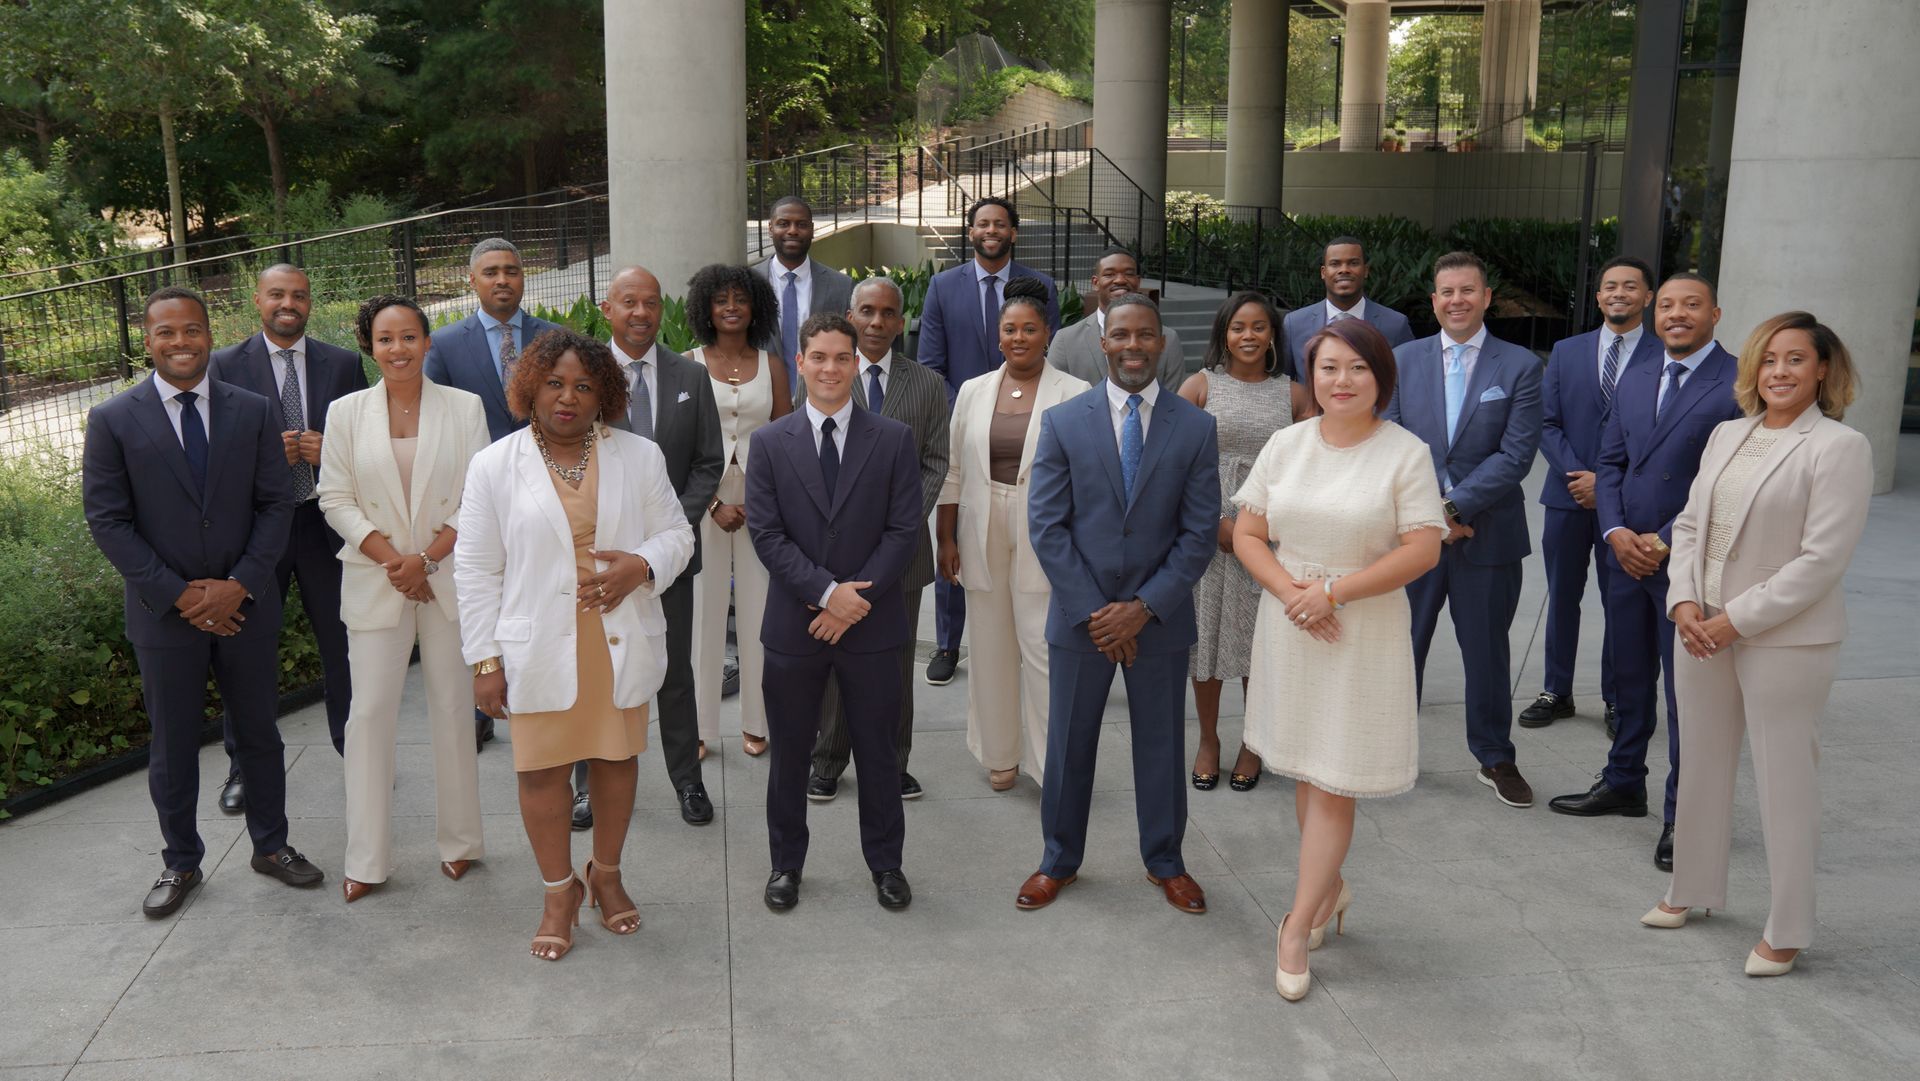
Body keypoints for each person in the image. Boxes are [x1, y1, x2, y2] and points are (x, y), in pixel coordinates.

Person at [1643, 312, 1872, 977]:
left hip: (1785, 638)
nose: (1779, 371)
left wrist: (1735, 620)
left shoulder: (1839, 447)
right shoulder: (1728, 433)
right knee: (1701, 761)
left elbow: (1821, 560)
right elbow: (1689, 525)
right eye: (1769, 359)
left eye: (1796, 359)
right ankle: (1691, 888)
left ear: (1823, 369)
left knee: (1784, 781)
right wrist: (1684, 600)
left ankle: (1789, 927)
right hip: (1700, 624)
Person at [82, 286, 322, 918]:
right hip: (165, 616)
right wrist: (179, 593)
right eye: (166, 332)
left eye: (191, 329)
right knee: (172, 745)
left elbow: (276, 502)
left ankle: (272, 847)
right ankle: (181, 861)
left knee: (260, 734)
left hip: (246, 606)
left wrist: (240, 583)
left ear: (209, 335)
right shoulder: (113, 419)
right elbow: (107, 521)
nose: (180, 342)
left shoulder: (252, 410)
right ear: (147, 341)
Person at [455, 329, 694, 961]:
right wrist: (485, 660)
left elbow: (678, 534)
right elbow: (475, 570)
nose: (568, 397)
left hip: (617, 636)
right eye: (555, 383)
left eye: (584, 386)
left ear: (604, 394)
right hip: (535, 645)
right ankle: (558, 892)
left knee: (615, 762)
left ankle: (605, 875)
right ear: (530, 389)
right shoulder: (493, 465)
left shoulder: (639, 456)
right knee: (541, 771)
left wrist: (641, 565)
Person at [1232, 318, 1445, 1001]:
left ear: (1382, 377)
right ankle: (1328, 889)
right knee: (1304, 766)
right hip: (1293, 622)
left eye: (1357, 368)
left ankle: (1295, 926)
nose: (1342, 380)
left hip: (1361, 630)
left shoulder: (1404, 453)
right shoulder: (1286, 444)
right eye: (1328, 367)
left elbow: (1423, 549)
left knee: (1333, 779)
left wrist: (1333, 593)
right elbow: (1249, 533)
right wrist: (1293, 592)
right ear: (1311, 374)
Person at [1015, 294, 1219, 916]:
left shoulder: (1195, 427)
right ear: (1103, 343)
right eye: (1122, 335)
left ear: (1163, 342)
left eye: (1146, 335)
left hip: (1160, 620)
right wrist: (1098, 612)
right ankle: (1057, 860)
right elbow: (1047, 525)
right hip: (1082, 621)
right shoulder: (1063, 421)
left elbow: (1199, 533)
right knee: (1069, 746)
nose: (1134, 346)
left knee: (1161, 746)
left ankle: (1166, 861)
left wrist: (1144, 608)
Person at [1548, 274, 1746, 872]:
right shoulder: (1638, 374)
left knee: (1688, 697)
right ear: (1655, 315)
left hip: (1689, 564)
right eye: (1668, 306)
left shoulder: (1737, 382)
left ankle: (1685, 816)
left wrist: (1663, 540)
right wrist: (1614, 531)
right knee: (1630, 678)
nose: (1677, 314)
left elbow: (1732, 483)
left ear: (1715, 313)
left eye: (1692, 305)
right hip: (1626, 557)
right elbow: (1610, 463)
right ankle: (1623, 780)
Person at [745, 313, 924, 912]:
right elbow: (767, 536)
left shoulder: (893, 438)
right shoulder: (769, 443)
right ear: (799, 363)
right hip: (795, 627)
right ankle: (786, 864)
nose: (830, 368)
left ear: (856, 363)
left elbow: (903, 530)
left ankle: (887, 864)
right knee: (790, 754)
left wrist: (853, 603)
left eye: (841, 358)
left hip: (872, 627)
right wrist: (828, 594)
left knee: (878, 752)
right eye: (818, 357)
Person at [318, 295, 489, 902]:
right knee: (368, 716)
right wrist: (396, 561)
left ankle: (461, 841)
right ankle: (366, 859)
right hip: (378, 579)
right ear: (370, 346)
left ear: (427, 341)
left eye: (409, 337)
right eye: (386, 339)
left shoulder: (465, 408)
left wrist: (428, 559)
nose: (398, 349)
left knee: (453, 709)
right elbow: (334, 497)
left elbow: (480, 496)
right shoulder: (345, 413)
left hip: (447, 580)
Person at [1384, 251, 1543, 810]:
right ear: (1434, 301)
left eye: (1468, 290)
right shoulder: (1403, 359)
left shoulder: (1520, 366)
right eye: (1447, 292)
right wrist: (1430, 516)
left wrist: (1452, 509)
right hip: (1412, 537)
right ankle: (1390, 750)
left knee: (1487, 652)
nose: (1457, 300)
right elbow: (1391, 438)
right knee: (1401, 646)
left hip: (1489, 535)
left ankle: (1495, 756)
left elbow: (1517, 454)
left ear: (1486, 297)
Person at [570, 266, 724, 832]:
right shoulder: (583, 376)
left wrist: (665, 536)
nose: (641, 313)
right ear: (607, 309)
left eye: (652, 303)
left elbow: (708, 462)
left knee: (675, 672)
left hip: (670, 562)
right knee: (597, 673)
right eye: (629, 302)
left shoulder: (692, 375)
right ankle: (586, 786)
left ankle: (688, 780)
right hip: (600, 558)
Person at [208, 264, 365, 814]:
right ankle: (244, 768)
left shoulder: (342, 363)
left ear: (310, 302)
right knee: (246, 651)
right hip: (258, 532)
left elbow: (366, 441)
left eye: (298, 295)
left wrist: (334, 452)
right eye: (277, 294)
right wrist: (264, 456)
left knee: (344, 647)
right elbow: (209, 453)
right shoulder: (222, 365)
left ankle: (359, 757)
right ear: (258, 300)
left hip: (326, 527)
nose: (288, 304)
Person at [937, 277, 1088, 791]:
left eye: (1029, 328)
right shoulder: (973, 391)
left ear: (1047, 333)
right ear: (997, 335)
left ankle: (1049, 764)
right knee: (989, 646)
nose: (1018, 337)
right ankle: (999, 754)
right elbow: (953, 469)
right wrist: (946, 539)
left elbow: (1085, 476)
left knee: (1043, 647)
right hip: (980, 524)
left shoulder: (1075, 393)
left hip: (1045, 529)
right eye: (1009, 329)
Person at [806, 277, 949, 804]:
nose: (877, 322)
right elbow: (808, 456)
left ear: (902, 321)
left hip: (902, 557)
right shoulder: (826, 374)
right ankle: (827, 760)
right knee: (835, 658)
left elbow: (935, 462)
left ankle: (891, 763)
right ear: (851, 315)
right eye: (867, 310)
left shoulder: (928, 384)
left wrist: (898, 526)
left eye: (888, 313)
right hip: (835, 553)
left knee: (893, 665)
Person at [915, 196, 1061, 687]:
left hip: (1030, 431)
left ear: (1013, 232)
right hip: (964, 428)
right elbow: (932, 364)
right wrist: (973, 412)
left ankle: (1020, 638)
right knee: (957, 531)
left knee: (1021, 539)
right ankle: (948, 643)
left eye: (1000, 223)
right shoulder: (942, 286)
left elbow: (1048, 353)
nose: (991, 230)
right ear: (971, 231)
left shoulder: (1041, 286)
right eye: (982, 223)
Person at [424, 237, 562, 749]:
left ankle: (557, 700)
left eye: (511, 270)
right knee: (482, 593)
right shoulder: (444, 344)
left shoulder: (556, 339)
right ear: (472, 281)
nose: (502, 279)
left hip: (551, 489)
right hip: (478, 492)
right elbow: (436, 422)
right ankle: (481, 706)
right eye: (490, 272)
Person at [1180, 291, 1313, 792]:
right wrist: (1214, 522)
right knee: (1208, 642)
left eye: (1259, 326)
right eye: (1239, 327)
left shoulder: (1293, 395)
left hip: (1272, 536)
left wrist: (1269, 527)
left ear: (1273, 335)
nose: (1249, 335)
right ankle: (1208, 739)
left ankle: (1254, 743)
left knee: (1260, 646)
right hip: (1210, 533)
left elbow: (1311, 467)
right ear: (1224, 334)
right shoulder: (1200, 386)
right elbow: (1174, 461)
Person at [1526, 256, 1663, 736]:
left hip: (1628, 506)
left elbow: (1660, 434)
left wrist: (1605, 486)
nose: (1619, 293)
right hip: (1567, 496)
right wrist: (1579, 476)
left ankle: (1616, 697)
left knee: (1621, 603)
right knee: (1562, 596)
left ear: (1648, 296)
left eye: (1630, 286)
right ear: (1599, 296)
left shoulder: (1663, 354)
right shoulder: (1566, 351)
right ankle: (1556, 690)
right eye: (1610, 286)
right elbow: (1546, 422)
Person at [686, 264, 792, 761]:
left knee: (760, 611)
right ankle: (699, 726)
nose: (731, 307)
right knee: (702, 614)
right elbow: (681, 443)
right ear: (705, 309)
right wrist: (712, 503)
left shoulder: (772, 365)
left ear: (756, 308)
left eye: (740, 298)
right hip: (703, 500)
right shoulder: (689, 363)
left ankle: (758, 721)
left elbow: (786, 437)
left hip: (761, 501)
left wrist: (760, 500)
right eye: (721, 299)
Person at [1046, 248, 1188, 390]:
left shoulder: (1168, 339)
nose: (1120, 280)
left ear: (1138, 281)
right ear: (1095, 282)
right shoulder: (1065, 340)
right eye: (1109, 274)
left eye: (1129, 274)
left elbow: (1175, 399)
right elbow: (1055, 395)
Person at [753, 195, 855, 390]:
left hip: (821, 395)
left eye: (801, 224)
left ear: (812, 229)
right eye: (784, 223)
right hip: (760, 397)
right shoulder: (748, 283)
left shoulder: (841, 286)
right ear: (770, 228)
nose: (793, 230)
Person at [1280, 236, 1415, 380]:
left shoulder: (1396, 325)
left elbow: (1409, 380)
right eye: (1335, 264)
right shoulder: (1294, 324)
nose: (1344, 270)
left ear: (1366, 270)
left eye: (1353, 263)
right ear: (1323, 272)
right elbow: (1282, 383)